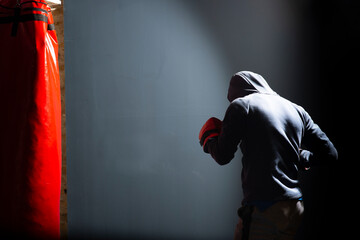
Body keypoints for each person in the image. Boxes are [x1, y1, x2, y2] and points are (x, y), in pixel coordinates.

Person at [198, 71, 338, 240]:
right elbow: (330, 153)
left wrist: (210, 139)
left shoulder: (241, 105)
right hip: (294, 206)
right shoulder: (297, 109)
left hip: (263, 208)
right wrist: (302, 157)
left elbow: (222, 156)